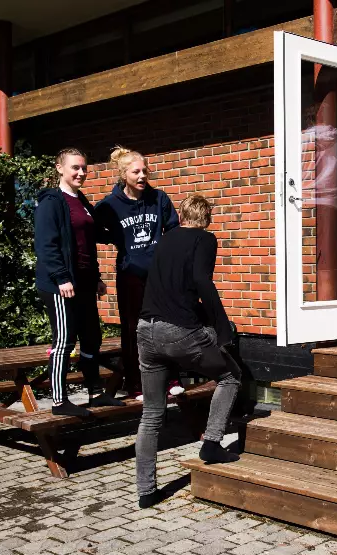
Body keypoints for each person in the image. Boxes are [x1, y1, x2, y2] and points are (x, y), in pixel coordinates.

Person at [135, 194, 240, 509]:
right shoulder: (205, 239)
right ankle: (211, 444)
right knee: (231, 376)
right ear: (206, 219)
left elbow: (171, 286)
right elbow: (202, 281)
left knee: (152, 414)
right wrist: (222, 328)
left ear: (181, 216)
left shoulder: (165, 240)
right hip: (178, 333)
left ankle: (146, 492)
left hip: (145, 329)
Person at [35, 148, 122, 417]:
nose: (81, 173)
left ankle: (95, 393)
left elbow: (88, 242)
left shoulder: (81, 201)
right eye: (75, 167)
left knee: (92, 337)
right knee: (64, 340)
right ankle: (59, 402)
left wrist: (96, 278)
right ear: (60, 168)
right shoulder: (52, 201)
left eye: (84, 168)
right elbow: (46, 245)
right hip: (60, 284)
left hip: (83, 281)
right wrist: (61, 277)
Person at [94, 147, 180, 400]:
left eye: (145, 171)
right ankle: (136, 384)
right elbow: (92, 228)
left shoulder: (159, 198)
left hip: (159, 275)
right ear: (124, 175)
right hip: (130, 275)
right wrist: (115, 237)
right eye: (136, 172)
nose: (142, 176)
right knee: (133, 330)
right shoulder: (110, 205)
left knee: (166, 325)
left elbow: (173, 229)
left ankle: (171, 378)